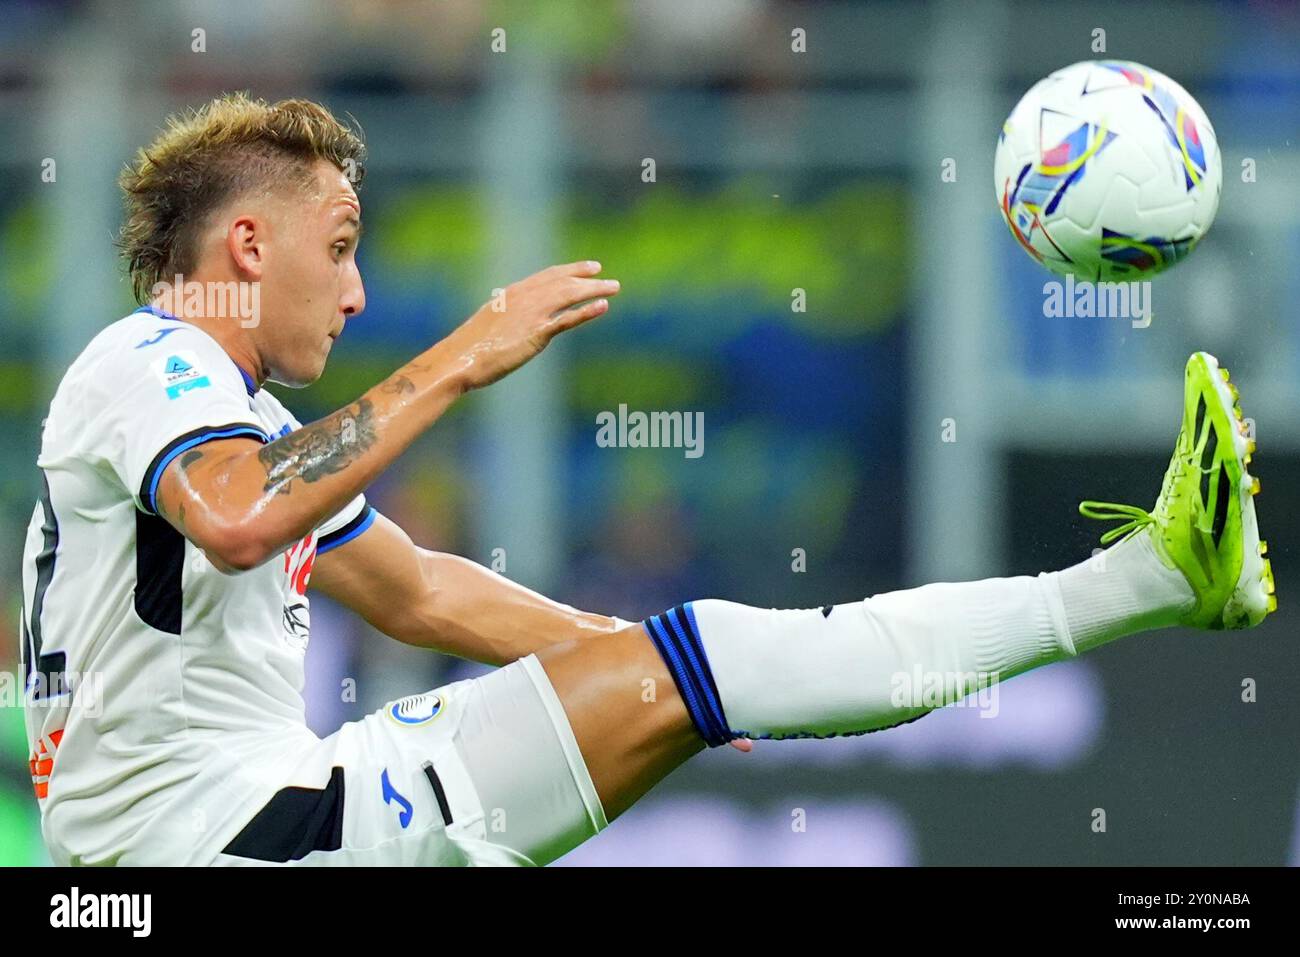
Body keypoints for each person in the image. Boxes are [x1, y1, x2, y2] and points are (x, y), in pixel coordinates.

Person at [20, 94, 1275, 866]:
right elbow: (239, 520)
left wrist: (645, 668)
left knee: (705, 655)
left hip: (243, 824)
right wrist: (462, 354)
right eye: (340, 250)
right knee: (707, 658)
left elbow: (422, 596)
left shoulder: (229, 416)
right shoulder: (153, 356)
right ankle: (1154, 576)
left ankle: (1153, 573)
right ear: (249, 245)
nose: (354, 290)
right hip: (214, 841)